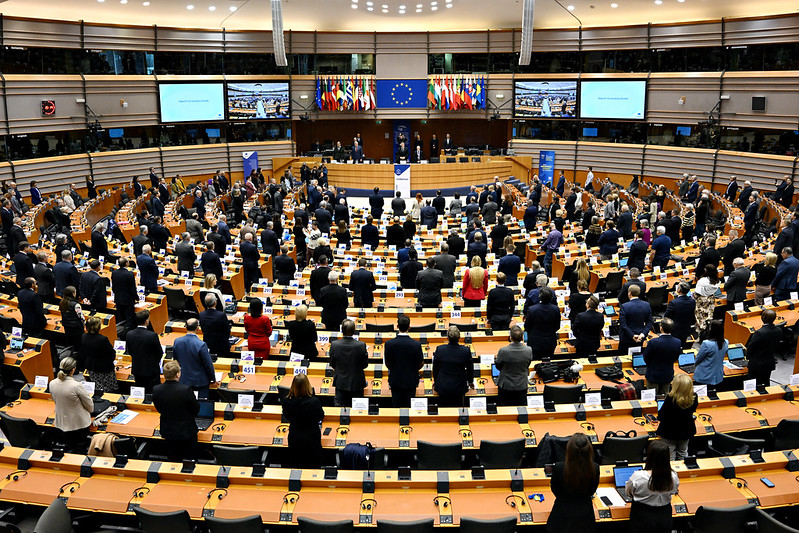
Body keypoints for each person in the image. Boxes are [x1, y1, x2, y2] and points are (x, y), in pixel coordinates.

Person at [546, 433, 599, 533]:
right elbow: (592, 491)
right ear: (589, 450)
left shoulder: (559, 468)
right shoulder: (595, 468)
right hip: (585, 517)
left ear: (569, 450)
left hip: (561, 516)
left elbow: (555, 490)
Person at [625, 440, 680, 533]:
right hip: (664, 519)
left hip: (642, 520)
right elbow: (674, 491)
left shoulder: (638, 477)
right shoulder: (673, 477)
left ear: (649, 456)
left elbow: (628, 493)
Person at [153, 360, 200, 462]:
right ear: (178, 374)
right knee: (190, 460)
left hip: (168, 430)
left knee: (173, 460)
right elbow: (196, 409)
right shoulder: (186, 390)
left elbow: (159, 409)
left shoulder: (156, 389)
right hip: (186, 431)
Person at [49, 357, 93, 453]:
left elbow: (55, 400)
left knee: (68, 447)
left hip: (61, 423)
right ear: (73, 370)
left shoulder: (52, 383)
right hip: (78, 424)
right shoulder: (76, 385)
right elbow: (90, 406)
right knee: (79, 449)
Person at [281, 373, 325, 469]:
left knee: (296, 464)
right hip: (312, 438)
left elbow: (287, 416)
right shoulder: (314, 402)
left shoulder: (286, 401)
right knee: (313, 466)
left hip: (295, 437)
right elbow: (320, 416)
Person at [384, 314, 424, 408]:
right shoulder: (416, 344)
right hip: (411, 380)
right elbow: (421, 364)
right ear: (409, 327)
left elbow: (387, 364)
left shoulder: (389, 344)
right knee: (409, 407)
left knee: (396, 407)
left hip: (395, 380)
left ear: (397, 326)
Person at [656, 374, 697, 460]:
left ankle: (672, 472)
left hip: (669, 433)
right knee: (682, 453)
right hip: (686, 432)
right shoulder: (694, 397)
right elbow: (693, 410)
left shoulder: (670, 399)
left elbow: (661, 416)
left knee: (670, 456)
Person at [172, 318, 215, 398]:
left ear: (186, 328)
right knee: (201, 405)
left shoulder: (177, 342)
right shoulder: (201, 344)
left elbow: (176, 360)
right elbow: (208, 365)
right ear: (198, 328)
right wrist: (212, 378)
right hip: (200, 382)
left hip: (183, 380)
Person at [329, 319, 368, 407]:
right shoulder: (361, 345)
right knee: (358, 411)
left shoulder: (334, 345)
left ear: (342, 331)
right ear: (354, 331)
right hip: (357, 382)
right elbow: (365, 364)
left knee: (340, 412)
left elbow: (332, 363)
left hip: (340, 382)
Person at [432, 326, 473, 407]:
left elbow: (435, 368)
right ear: (459, 337)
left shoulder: (440, 349)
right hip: (459, 387)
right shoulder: (465, 350)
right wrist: (470, 381)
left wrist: (436, 381)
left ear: (447, 337)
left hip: (443, 386)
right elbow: (470, 368)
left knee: (444, 411)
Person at [495, 325, 533, 406]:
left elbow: (498, 366)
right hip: (521, 385)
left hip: (506, 385)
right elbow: (527, 365)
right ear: (522, 338)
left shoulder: (503, 351)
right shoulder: (528, 350)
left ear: (510, 337)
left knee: (504, 410)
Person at [642, 318, 681, 396]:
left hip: (653, 375)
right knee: (664, 398)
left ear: (661, 328)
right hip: (667, 375)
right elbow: (675, 358)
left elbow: (646, 358)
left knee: (651, 398)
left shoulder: (653, 342)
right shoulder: (677, 342)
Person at [126, 310, 163, 392]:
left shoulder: (129, 334)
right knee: (152, 391)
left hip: (137, 369)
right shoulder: (152, 335)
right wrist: (153, 362)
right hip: (151, 370)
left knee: (140, 392)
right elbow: (159, 353)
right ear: (147, 320)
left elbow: (130, 351)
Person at [745, 309, 781, 388]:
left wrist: (747, 358)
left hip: (756, 364)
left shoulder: (759, 333)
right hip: (769, 362)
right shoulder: (779, 330)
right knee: (765, 384)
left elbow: (751, 347)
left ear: (763, 318)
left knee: (752, 386)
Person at [81, 316, 118, 392]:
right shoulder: (102, 339)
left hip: (91, 366)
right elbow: (111, 352)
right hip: (104, 367)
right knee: (108, 388)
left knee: (97, 386)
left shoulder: (84, 336)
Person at [525, 287, 560, 360]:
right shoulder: (555, 309)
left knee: (535, 363)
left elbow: (527, 327)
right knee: (549, 364)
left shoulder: (532, 309)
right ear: (551, 297)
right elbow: (557, 326)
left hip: (535, 341)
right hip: (550, 341)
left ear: (539, 297)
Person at [618, 284, 653, 355]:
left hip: (626, 338)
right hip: (640, 338)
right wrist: (642, 334)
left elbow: (623, 325)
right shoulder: (646, 305)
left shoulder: (624, 306)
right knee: (636, 358)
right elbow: (649, 323)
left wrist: (632, 335)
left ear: (629, 293)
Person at [694, 319, 727, 387]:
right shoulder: (726, 342)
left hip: (704, 376)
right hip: (718, 376)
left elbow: (698, 360)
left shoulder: (706, 344)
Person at [663, 282, 696, 348]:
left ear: (679, 290)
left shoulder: (674, 302)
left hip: (674, 329)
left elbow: (666, 316)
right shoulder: (692, 301)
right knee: (682, 345)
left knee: (673, 347)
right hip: (686, 328)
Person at [199, 294, 231, 358]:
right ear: (215, 302)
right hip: (222, 345)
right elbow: (227, 331)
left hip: (208, 343)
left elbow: (203, 329)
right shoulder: (221, 315)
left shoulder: (201, 315)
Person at [694, 265, 721, 337]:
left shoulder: (702, 281)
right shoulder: (717, 281)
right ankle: (708, 331)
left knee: (700, 317)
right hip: (711, 299)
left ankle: (701, 334)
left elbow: (697, 292)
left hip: (702, 300)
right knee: (709, 315)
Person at [112, 257, 137, 330]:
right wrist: (136, 298)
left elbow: (114, 287)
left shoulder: (114, 273)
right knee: (129, 319)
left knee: (120, 318)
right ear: (126, 263)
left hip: (118, 299)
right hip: (128, 300)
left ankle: (120, 332)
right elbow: (132, 289)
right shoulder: (129, 274)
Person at [59, 286, 84, 354]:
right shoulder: (76, 305)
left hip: (67, 326)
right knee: (79, 344)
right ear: (73, 294)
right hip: (77, 327)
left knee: (71, 342)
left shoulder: (62, 302)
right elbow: (81, 317)